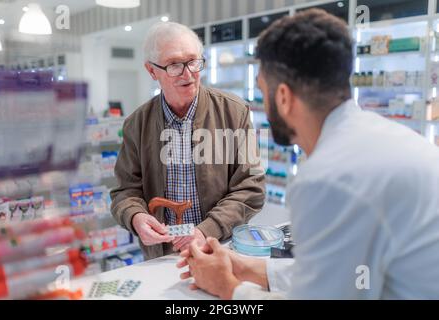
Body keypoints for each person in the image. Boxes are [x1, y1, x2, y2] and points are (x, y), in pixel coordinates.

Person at [177, 9, 439, 299]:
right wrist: (245, 267)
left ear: (284, 97)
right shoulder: (379, 137)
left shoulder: (328, 178)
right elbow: (347, 271)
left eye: (263, 91)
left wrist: (227, 287)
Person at [110, 22, 265, 260]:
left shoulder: (235, 113)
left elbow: (251, 187)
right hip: (161, 254)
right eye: (174, 65)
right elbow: (125, 191)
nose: (188, 73)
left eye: (193, 61)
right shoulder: (136, 124)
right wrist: (135, 216)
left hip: (219, 249)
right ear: (152, 71)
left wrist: (206, 231)